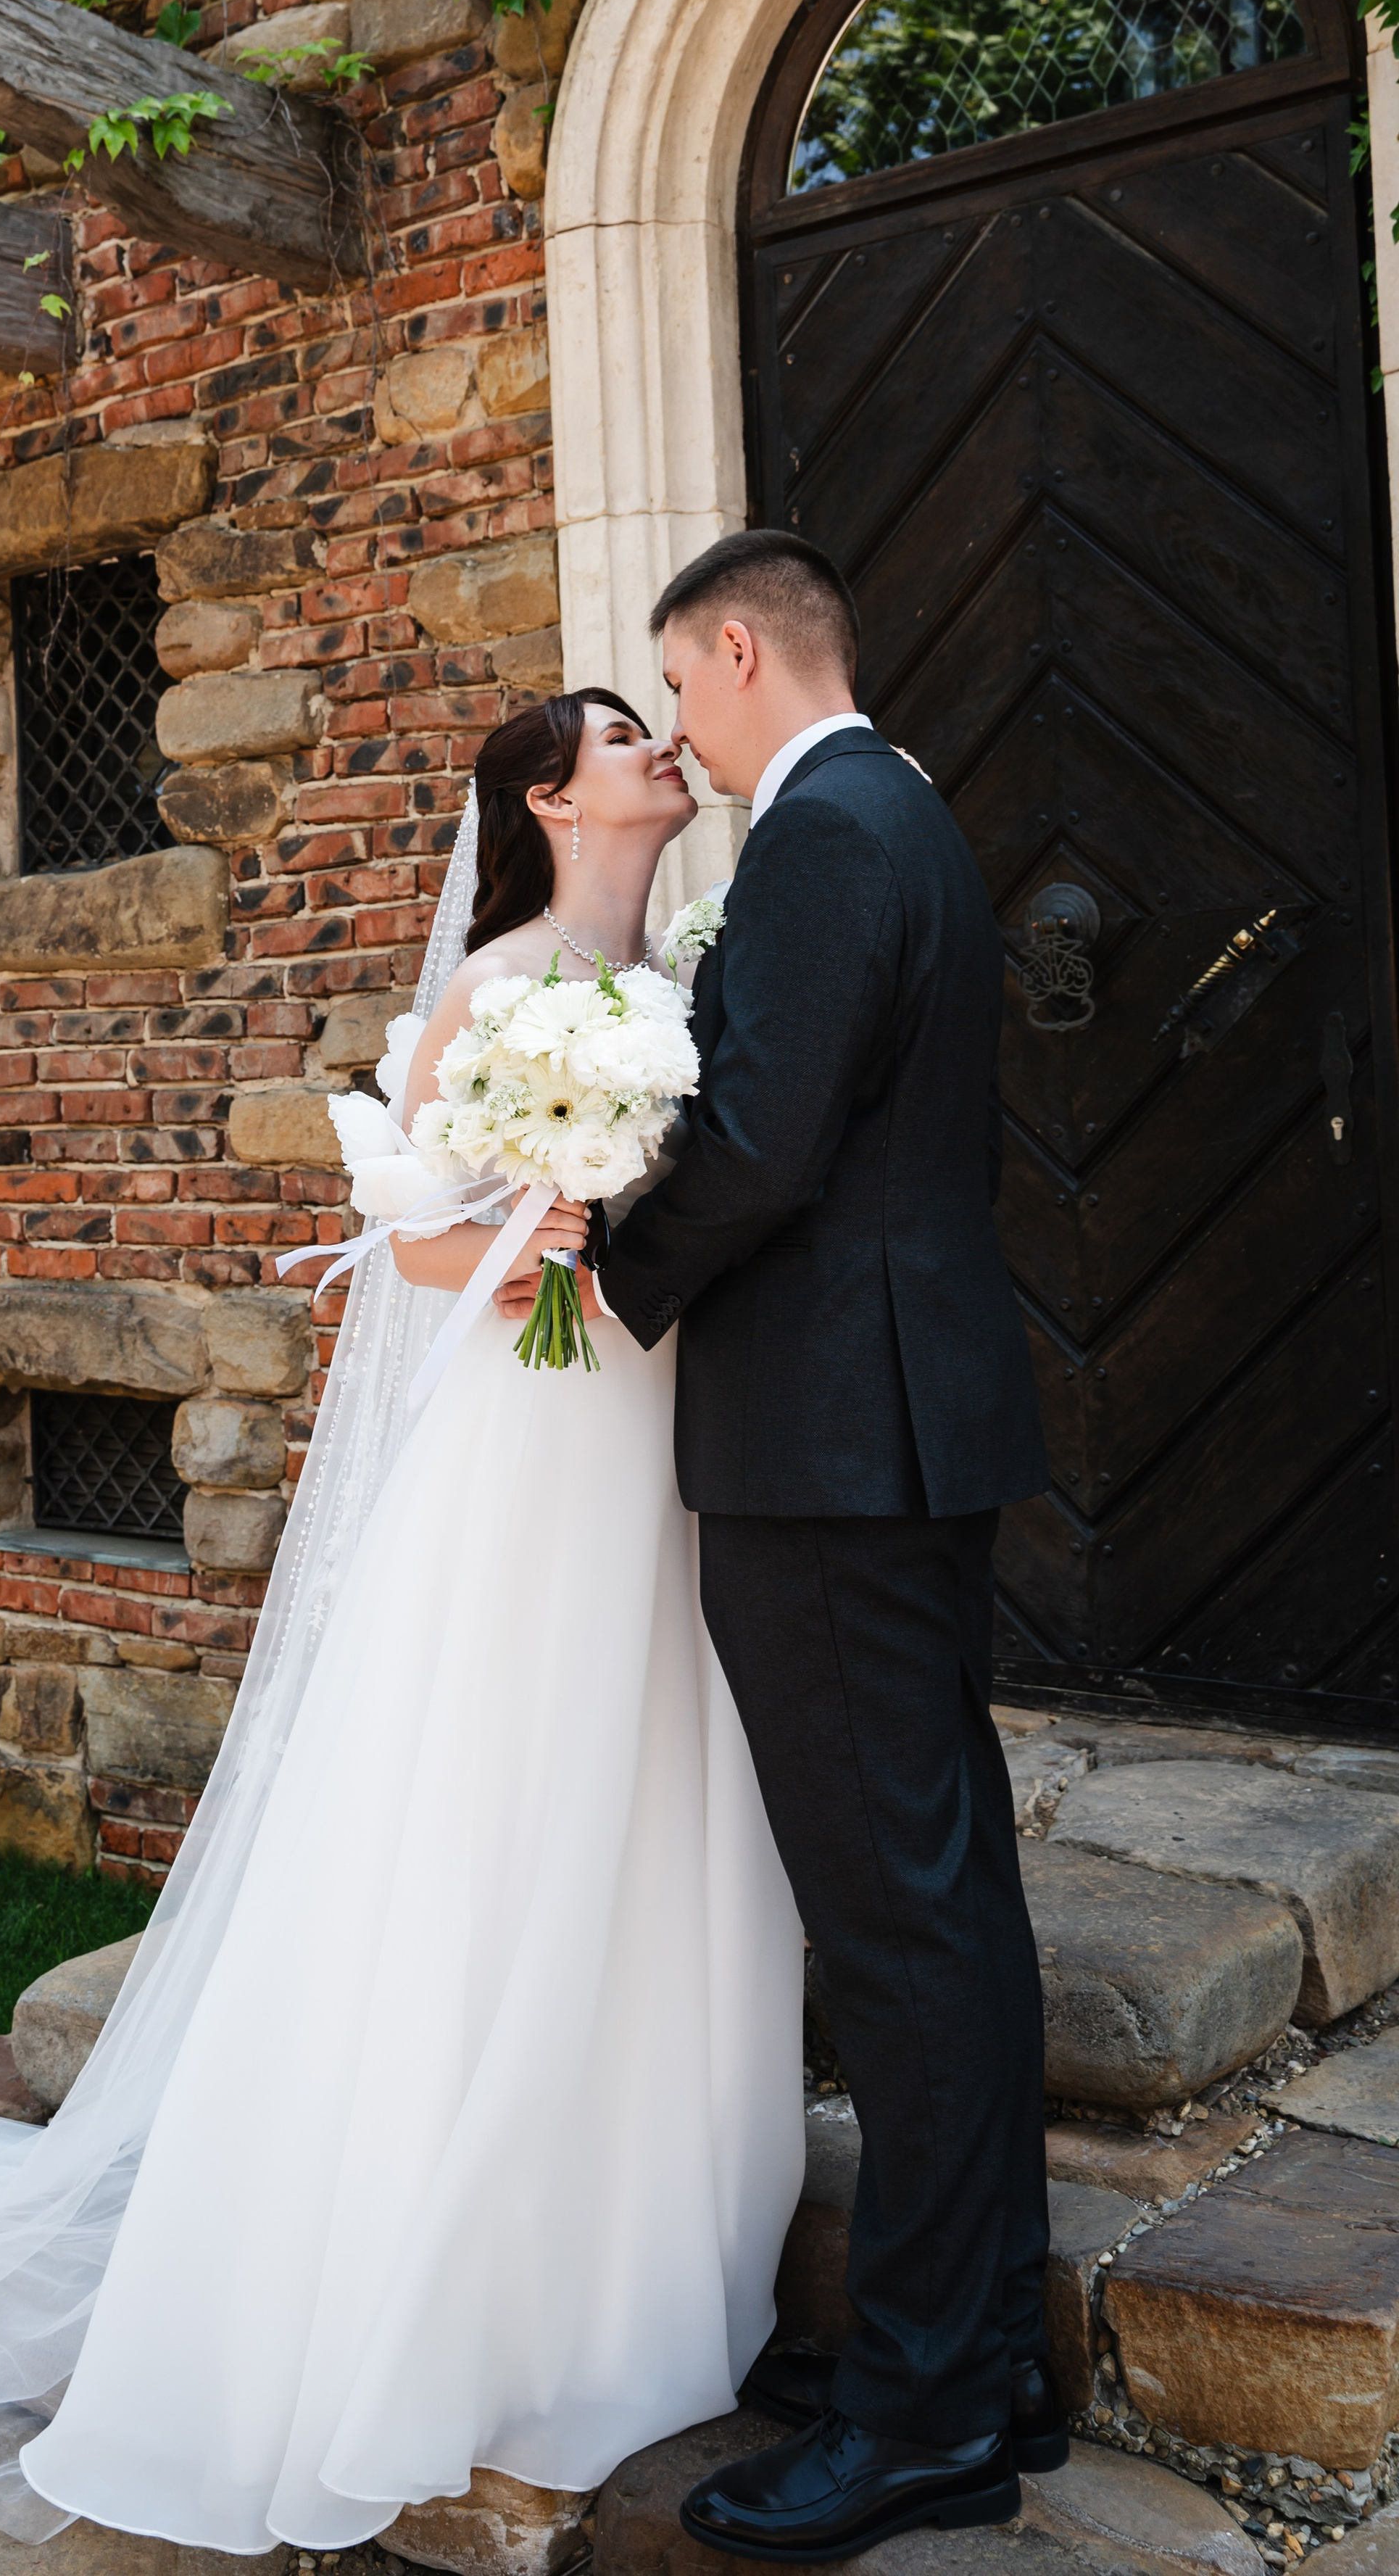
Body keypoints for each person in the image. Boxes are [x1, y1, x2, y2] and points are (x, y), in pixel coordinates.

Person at [0, 687, 806, 2552]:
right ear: (547, 795)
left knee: (652, 1795)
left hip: (658, 1430)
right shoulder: (500, 981)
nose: (661, 750)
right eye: (623, 733)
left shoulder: (697, 970)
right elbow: (414, 1244)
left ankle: (638, 2244)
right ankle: (432, 2275)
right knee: (503, 1799)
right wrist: (542, 1228)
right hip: (530, 1440)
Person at [591, 530, 1056, 2564]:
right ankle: (983, 2344)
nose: (679, 727)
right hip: (889, 1429)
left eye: (681, 688)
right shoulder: (907, 814)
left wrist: (608, 1271)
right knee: (944, 1900)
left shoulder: (828, 833)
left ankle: (933, 2408)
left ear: (739, 648)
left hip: (831, 1450)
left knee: (899, 1924)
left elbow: (762, 1139)